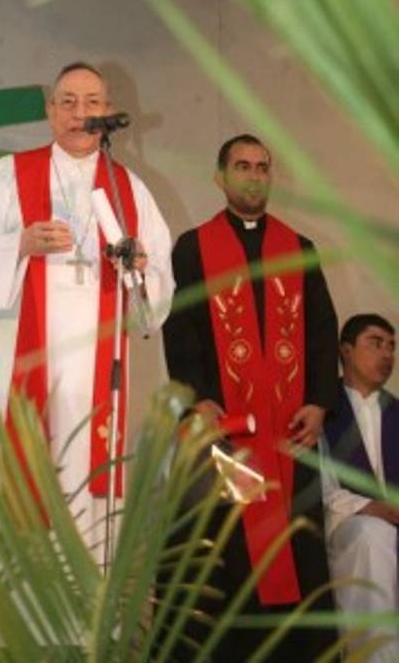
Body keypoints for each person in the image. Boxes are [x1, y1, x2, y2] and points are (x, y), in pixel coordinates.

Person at [0, 62, 173, 554]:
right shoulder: (8, 175)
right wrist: (20, 245)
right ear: (50, 112)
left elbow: (157, 297)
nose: (79, 112)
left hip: (95, 378)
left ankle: (81, 622)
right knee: (14, 483)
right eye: (67, 101)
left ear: (108, 112)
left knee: (85, 507)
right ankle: (7, 626)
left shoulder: (129, 190)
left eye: (92, 102)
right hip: (20, 368)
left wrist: (138, 268)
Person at [161, 133, 339, 661]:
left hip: (289, 431)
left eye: (263, 166)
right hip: (225, 428)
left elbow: (323, 330)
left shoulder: (299, 248)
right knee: (227, 546)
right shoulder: (193, 248)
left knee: (294, 545)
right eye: (242, 165)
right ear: (220, 177)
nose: (254, 174)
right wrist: (197, 399)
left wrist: (319, 401)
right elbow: (180, 328)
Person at [322, 314, 399, 662]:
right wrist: (372, 507)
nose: (387, 355)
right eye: (376, 343)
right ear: (346, 350)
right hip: (343, 524)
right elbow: (318, 486)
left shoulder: (395, 412)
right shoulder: (323, 410)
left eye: (392, 346)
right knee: (374, 535)